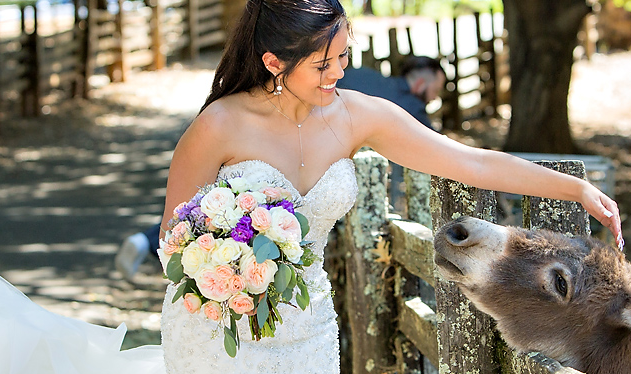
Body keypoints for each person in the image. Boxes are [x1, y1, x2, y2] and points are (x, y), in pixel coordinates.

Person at [0, 0, 623, 374]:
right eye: (324, 63)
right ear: (272, 61)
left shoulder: (356, 117)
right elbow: (175, 236)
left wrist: (572, 191)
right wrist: (226, 259)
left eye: (344, 56)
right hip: (217, 333)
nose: (339, 75)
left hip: (308, 334)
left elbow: (465, 160)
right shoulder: (219, 126)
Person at [113, 55, 445, 281]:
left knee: (220, 196)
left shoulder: (361, 77)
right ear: (421, 83)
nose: (432, 99)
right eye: (435, 91)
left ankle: (144, 239)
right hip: (309, 178)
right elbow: (428, 153)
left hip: (280, 140)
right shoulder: (408, 105)